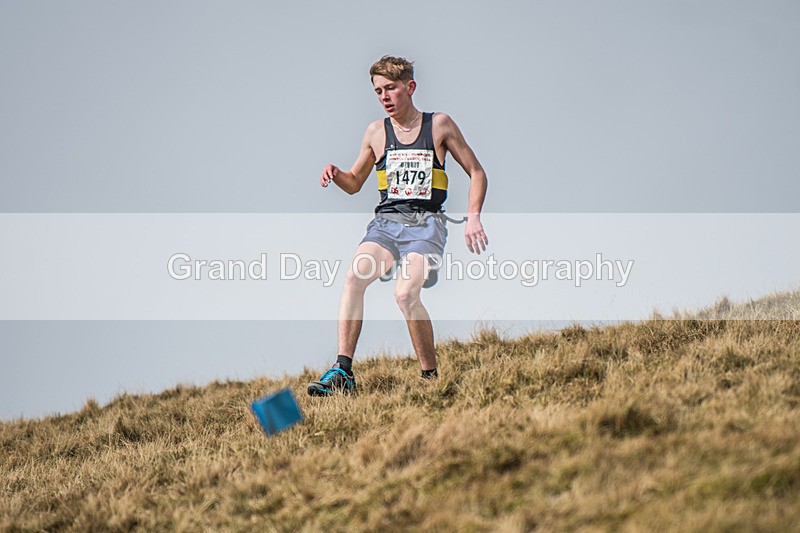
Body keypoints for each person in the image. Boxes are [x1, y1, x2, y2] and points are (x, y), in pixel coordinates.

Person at [308, 55, 488, 396]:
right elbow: (354, 182)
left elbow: (477, 172)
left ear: (410, 87)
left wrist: (473, 216)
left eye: (391, 88)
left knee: (405, 294)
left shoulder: (439, 126)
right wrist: (336, 173)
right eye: (378, 91)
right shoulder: (376, 132)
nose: (385, 97)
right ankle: (343, 372)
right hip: (385, 225)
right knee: (353, 277)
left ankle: (429, 377)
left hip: (426, 225)